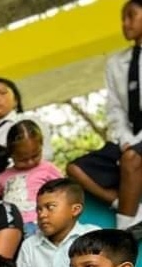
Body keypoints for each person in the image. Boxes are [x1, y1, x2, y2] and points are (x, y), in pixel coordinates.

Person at [66, 0, 142, 230]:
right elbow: (115, 108)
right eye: (122, 18)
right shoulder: (115, 63)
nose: (125, 23)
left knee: (131, 159)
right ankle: (127, 206)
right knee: (75, 169)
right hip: (129, 138)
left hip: (137, 146)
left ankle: (125, 229)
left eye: (131, 16)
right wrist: (126, 139)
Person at [15, 178, 98, 267]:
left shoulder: (92, 236)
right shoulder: (29, 245)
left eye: (50, 207)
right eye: (39, 209)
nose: (42, 215)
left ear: (75, 210)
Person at [0, 120, 62, 235]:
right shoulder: (4, 176)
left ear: (41, 146)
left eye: (35, 156)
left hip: (38, 222)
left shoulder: (48, 169)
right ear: (11, 154)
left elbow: (64, 192)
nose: (30, 162)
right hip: (9, 226)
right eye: (23, 159)